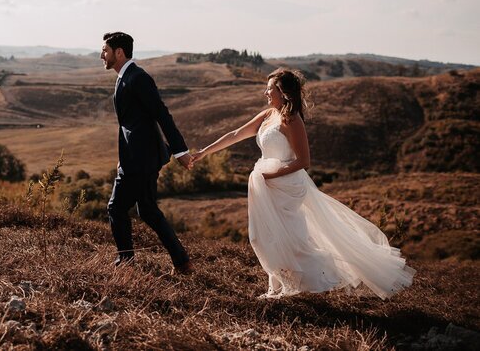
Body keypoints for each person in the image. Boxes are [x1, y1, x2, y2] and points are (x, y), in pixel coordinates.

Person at [191, 68, 414, 299]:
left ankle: (317, 279)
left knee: (291, 239)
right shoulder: (268, 116)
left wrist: (271, 176)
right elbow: (236, 133)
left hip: (285, 186)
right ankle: (279, 285)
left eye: (269, 89)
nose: (265, 93)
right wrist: (204, 153)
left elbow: (303, 161)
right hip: (266, 186)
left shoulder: (292, 119)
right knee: (266, 236)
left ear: (283, 92)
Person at [101, 32, 193, 274]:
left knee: (116, 207)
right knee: (148, 210)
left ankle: (126, 262)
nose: (102, 55)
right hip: (139, 156)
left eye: (105, 50)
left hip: (139, 159)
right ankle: (182, 262)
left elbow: (161, 114)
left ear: (119, 52)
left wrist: (180, 150)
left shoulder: (137, 78)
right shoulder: (125, 76)